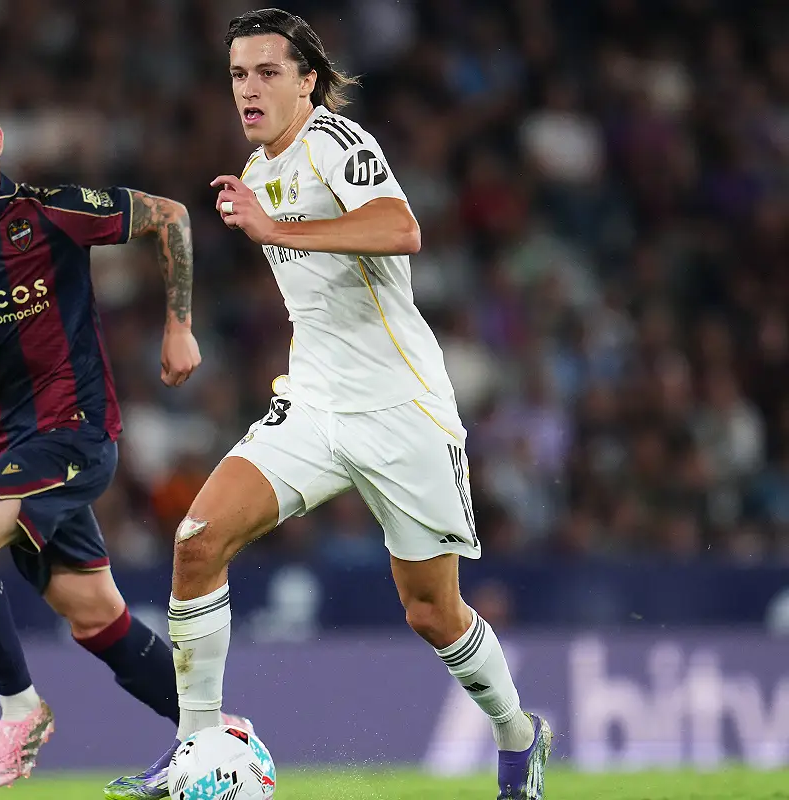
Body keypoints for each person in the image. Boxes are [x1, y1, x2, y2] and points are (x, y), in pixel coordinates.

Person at [106, 9, 551, 800]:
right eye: (239, 73)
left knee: (431, 612)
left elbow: (403, 227)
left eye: (268, 71)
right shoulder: (258, 165)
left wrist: (276, 224)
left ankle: (518, 734)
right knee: (197, 542)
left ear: (307, 79)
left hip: (401, 410)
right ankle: (195, 748)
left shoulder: (337, 143)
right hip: (314, 404)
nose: (249, 87)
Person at [0, 93, 248, 790]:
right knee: (96, 619)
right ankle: (216, 738)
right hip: (10, 457)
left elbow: (171, 216)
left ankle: (20, 707)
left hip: (74, 434)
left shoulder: (51, 212)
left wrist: (178, 325)